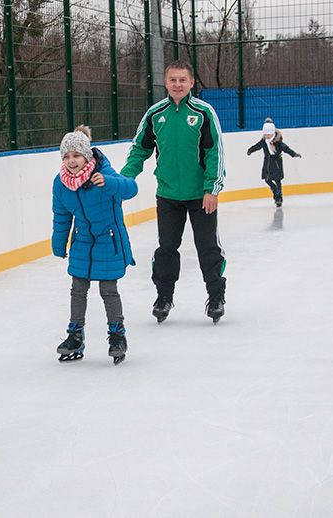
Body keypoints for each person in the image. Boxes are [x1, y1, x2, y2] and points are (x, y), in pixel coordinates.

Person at [120, 59, 227, 325]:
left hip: (201, 196)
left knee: (207, 247)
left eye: (182, 80)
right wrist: (124, 178)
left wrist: (211, 188)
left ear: (191, 83)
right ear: (165, 83)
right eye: (172, 80)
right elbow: (140, 148)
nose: (177, 84)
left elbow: (215, 152)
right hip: (167, 195)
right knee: (167, 248)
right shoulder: (156, 113)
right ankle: (164, 297)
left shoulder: (203, 112)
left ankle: (216, 297)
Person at [52, 126, 138, 365]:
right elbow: (61, 215)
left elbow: (131, 188)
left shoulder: (103, 172)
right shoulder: (60, 184)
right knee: (78, 288)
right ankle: (75, 335)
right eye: (66, 156)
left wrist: (109, 183)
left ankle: (117, 335)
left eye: (76, 155)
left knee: (108, 290)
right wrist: (59, 244)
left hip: (108, 240)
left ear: (87, 156)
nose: (71, 161)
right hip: (82, 241)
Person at [247, 118, 302, 207]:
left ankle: (279, 197)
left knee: (277, 180)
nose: (267, 137)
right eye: (266, 135)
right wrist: (250, 150)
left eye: (269, 135)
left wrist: (294, 154)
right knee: (267, 179)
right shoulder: (264, 141)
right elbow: (258, 146)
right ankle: (274, 189)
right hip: (268, 162)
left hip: (276, 163)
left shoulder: (278, 141)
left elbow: (286, 148)